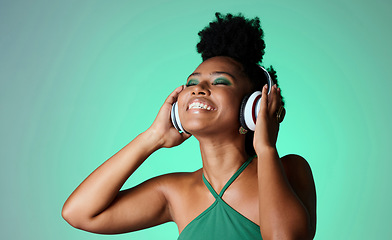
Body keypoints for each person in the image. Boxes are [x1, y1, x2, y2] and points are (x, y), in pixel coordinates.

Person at [62, 12, 316, 239]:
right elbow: (79, 214)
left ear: (253, 106)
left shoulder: (290, 168)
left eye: (220, 82)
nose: (198, 90)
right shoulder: (174, 192)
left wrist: (267, 148)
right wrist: (152, 137)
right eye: (192, 82)